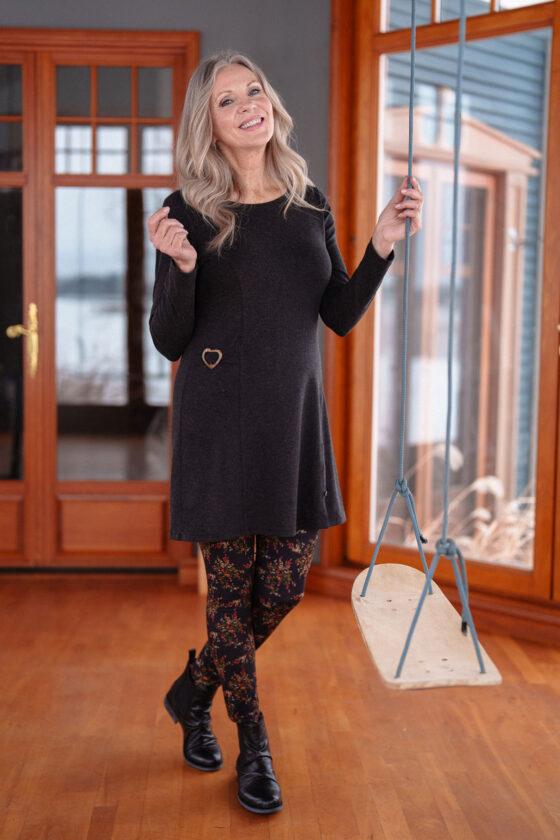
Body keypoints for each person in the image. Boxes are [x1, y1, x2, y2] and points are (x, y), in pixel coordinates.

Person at [147, 49, 423, 816]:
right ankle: (253, 743)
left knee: (287, 584)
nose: (247, 106)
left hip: (292, 417)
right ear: (209, 121)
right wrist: (178, 265)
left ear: (270, 103)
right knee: (231, 600)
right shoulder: (188, 209)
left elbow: (337, 314)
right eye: (228, 99)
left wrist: (380, 245)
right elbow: (169, 338)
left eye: (254, 91)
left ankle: (194, 687)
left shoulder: (308, 204)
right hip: (217, 416)